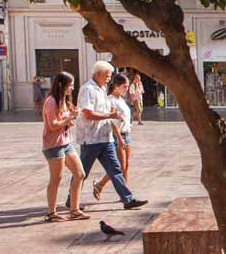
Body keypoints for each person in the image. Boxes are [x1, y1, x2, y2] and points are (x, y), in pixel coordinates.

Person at [66, 61, 147, 210]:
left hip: (105, 138)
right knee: (82, 172)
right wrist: (109, 115)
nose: (109, 79)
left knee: (116, 169)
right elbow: (87, 113)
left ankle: (128, 199)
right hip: (91, 139)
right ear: (98, 74)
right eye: (108, 76)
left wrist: (112, 116)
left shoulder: (102, 89)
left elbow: (106, 112)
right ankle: (71, 199)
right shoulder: (88, 89)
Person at [42, 71, 88, 222]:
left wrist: (71, 118)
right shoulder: (51, 101)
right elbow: (53, 125)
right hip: (54, 145)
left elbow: (66, 123)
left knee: (80, 173)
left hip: (66, 143)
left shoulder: (64, 101)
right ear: (61, 85)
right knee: (56, 178)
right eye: (70, 85)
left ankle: (74, 210)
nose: (72, 88)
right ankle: (51, 213)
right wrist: (69, 118)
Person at [94, 73, 132, 200]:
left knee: (126, 166)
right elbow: (111, 121)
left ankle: (125, 194)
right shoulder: (109, 100)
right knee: (119, 166)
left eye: (127, 87)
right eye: (124, 87)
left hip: (126, 134)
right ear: (116, 86)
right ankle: (100, 185)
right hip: (117, 136)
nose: (126, 89)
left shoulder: (121, 99)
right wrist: (119, 139)